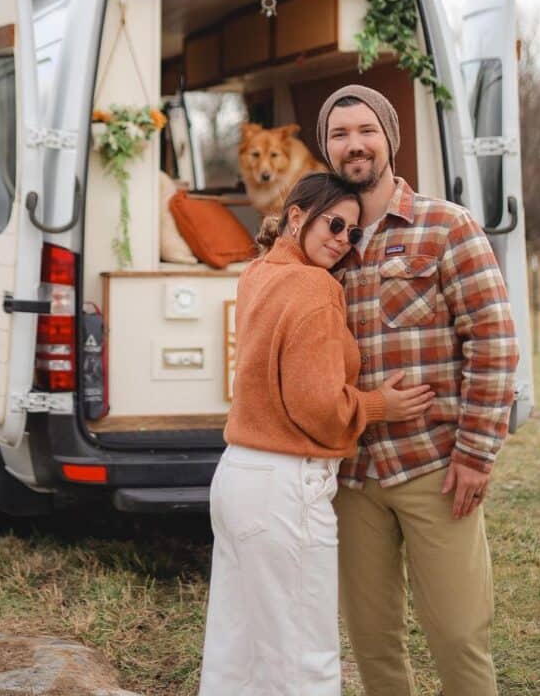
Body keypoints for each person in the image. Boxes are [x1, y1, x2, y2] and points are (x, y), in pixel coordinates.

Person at [315, 84, 519, 696]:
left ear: (390, 139)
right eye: (339, 134)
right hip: (352, 475)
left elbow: (493, 339)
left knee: (458, 635)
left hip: (435, 466)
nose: (355, 145)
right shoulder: (324, 243)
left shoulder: (446, 226)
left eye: (366, 130)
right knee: (373, 643)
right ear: (326, 149)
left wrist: (476, 453)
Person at [198, 172, 434, 696]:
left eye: (351, 232)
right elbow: (319, 409)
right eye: (334, 224)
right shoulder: (314, 287)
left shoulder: (257, 273)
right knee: (307, 659)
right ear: (298, 216)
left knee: (236, 652)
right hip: (287, 486)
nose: (341, 240)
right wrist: (379, 405)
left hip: (237, 476)